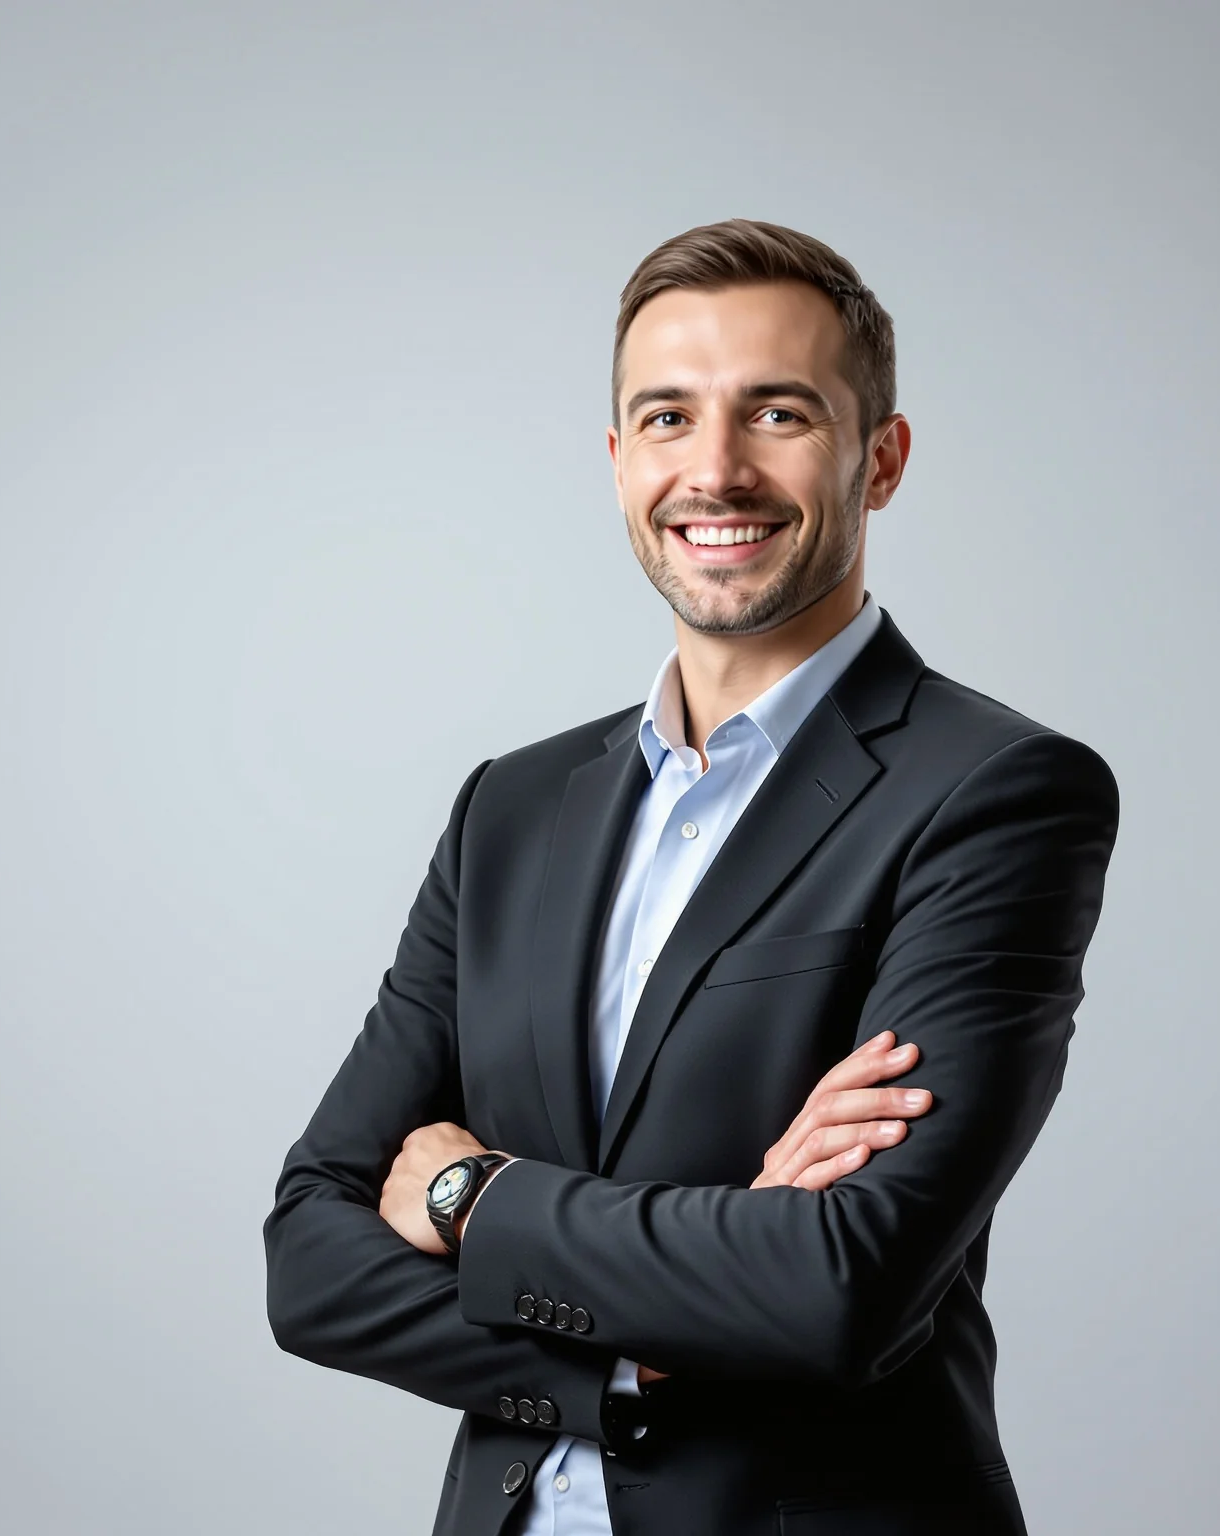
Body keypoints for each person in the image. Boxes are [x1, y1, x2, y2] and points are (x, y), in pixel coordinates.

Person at [262, 218, 1119, 1536]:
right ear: (617, 463)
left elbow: (840, 1286)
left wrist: (467, 1198)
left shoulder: (995, 794)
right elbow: (311, 1257)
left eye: (777, 413)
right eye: (666, 418)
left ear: (879, 459)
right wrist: (629, 1363)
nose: (713, 471)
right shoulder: (513, 808)